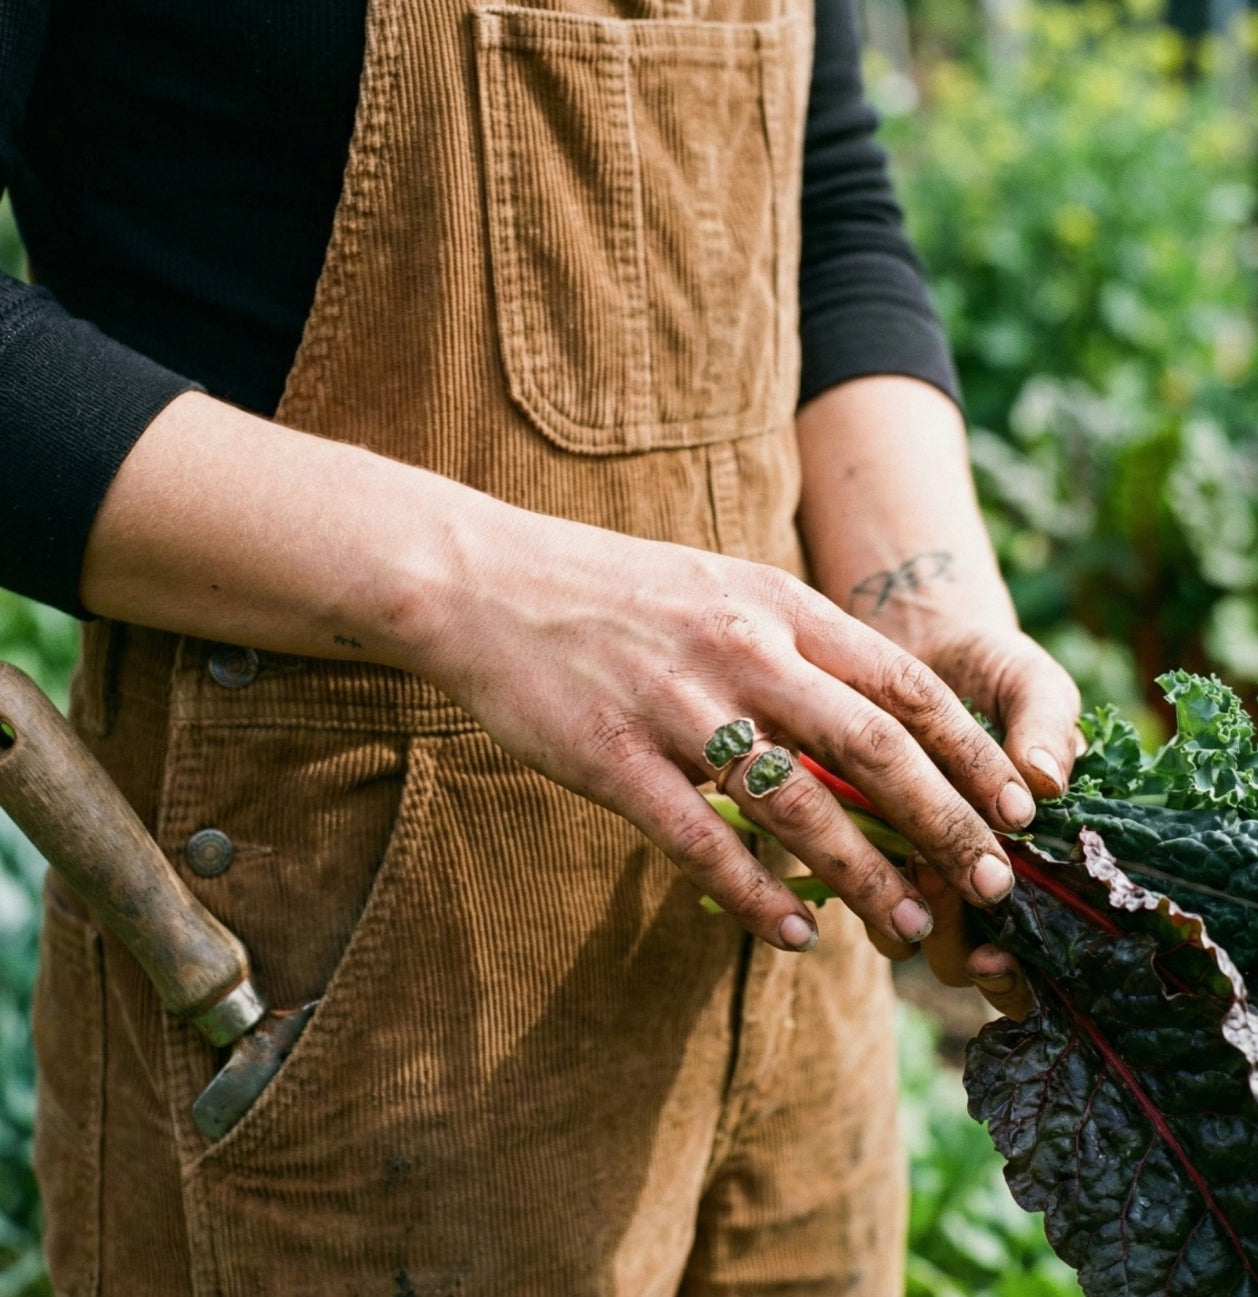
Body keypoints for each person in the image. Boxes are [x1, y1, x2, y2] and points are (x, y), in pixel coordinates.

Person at [0, 0, 1082, 1291]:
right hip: (342, 1014)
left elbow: (823, 189)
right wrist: (495, 587)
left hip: (787, 992)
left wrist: (920, 614)